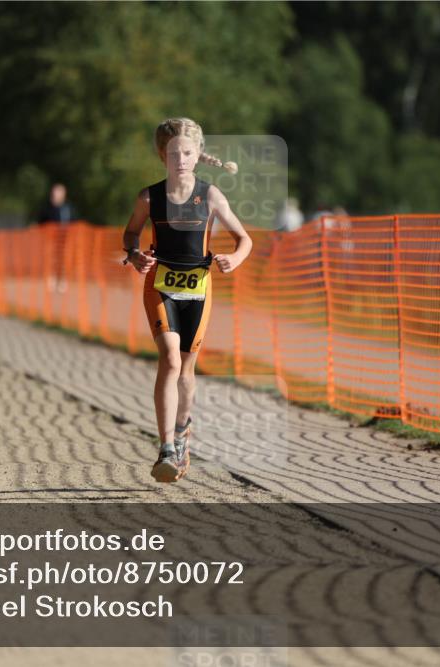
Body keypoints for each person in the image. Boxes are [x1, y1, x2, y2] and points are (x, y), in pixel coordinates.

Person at [122, 117, 252, 483]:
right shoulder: (149, 197)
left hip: (198, 290)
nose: (180, 159)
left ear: (198, 156)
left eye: (187, 153)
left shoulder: (210, 196)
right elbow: (131, 233)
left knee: (186, 369)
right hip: (160, 286)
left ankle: (181, 431)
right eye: (173, 153)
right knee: (169, 359)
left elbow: (244, 239)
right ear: (162, 155)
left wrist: (235, 259)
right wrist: (134, 255)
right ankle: (166, 448)